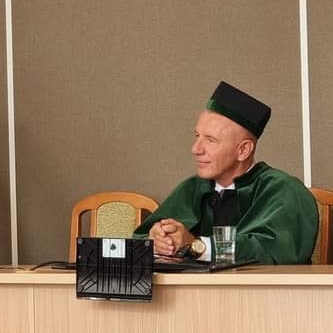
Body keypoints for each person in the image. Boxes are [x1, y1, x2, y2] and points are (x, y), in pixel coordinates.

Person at [134, 82, 318, 264]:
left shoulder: (284, 191)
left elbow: (273, 252)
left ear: (243, 150)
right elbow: (138, 242)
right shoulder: (191, 188)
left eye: (210, 140)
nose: (196, 149)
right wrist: (156, 242)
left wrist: (196, 246)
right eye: (197, 136)